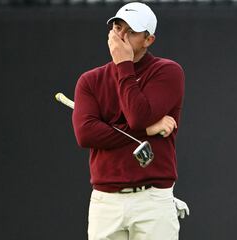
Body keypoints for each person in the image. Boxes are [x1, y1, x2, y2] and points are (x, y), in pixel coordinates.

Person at [72, 2, 188, 240]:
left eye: (131, 32)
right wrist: (148, 129)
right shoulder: (90, 81)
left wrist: (124, 64)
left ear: (149, 40)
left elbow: (137, 116)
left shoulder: (167, 72)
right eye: (117, 28)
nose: (121, 37)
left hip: (153, 199)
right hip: (106, 202)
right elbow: (86, 135)